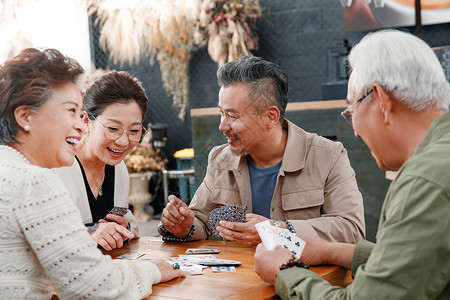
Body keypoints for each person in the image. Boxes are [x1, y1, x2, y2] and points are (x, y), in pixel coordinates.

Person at [254, 29, 450, 299]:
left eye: (351, 109)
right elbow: (421, 262)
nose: (355, 131)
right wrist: (332, 250)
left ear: (381, 100)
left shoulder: (423, 181)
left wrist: (284, 271)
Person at [0, 48, 184, 299]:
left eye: (134, 131)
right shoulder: (35, 180)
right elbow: (91, 287)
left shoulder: (10, 168)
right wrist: (151, 271)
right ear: (25, 116)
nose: (78, 124)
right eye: (70, 112)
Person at [159, 56, 366, 246]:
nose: (222, 126)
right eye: (221, 113)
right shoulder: (219, 159)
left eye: (233, 115)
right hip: (240, 284)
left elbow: (351, 229)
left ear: (271, 116)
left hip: (306, 282)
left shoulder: (327, 156)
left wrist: (276, 231)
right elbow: (201, 221)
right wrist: (184, 227)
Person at [54, 70, 146, 251]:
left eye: (134, 131)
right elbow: (42, 235)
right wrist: (89, 233)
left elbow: (130, 225)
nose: (123, 141)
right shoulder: (57, 166)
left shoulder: (118, 168)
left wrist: (123, 228)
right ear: (86, 121)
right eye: (113, 129)